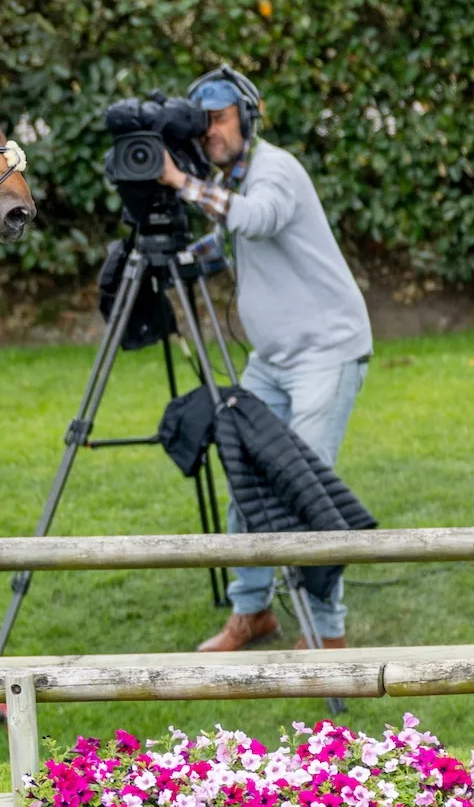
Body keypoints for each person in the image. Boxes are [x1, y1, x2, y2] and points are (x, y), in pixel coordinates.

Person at [159, 66, 374, 651]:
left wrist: (179, 181)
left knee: (304, 487)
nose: (210, 133)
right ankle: (252, 613)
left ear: (248, 119)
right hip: (274, 361)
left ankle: (328, 635)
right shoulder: (236, 175)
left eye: (221, 119)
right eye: (202, 124)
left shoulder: (275, 169)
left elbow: (257, 218)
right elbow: (235, 235)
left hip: (325, 354)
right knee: (244, 477)